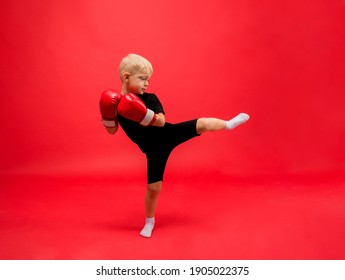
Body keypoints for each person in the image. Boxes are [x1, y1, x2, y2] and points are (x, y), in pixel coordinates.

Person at [99, 54, 249, 238]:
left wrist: (141, 113)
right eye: (143, 79)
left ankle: (229, 124)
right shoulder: (113, 104)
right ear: (127, 77)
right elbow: (112, 131)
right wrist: (106, 113)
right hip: (152, 150)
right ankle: (149, 222)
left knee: (201, 124)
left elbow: (161, 122)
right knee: (153, 189)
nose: (147, 84)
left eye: (149, 80)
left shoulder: (150, 98)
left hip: (167, 134)